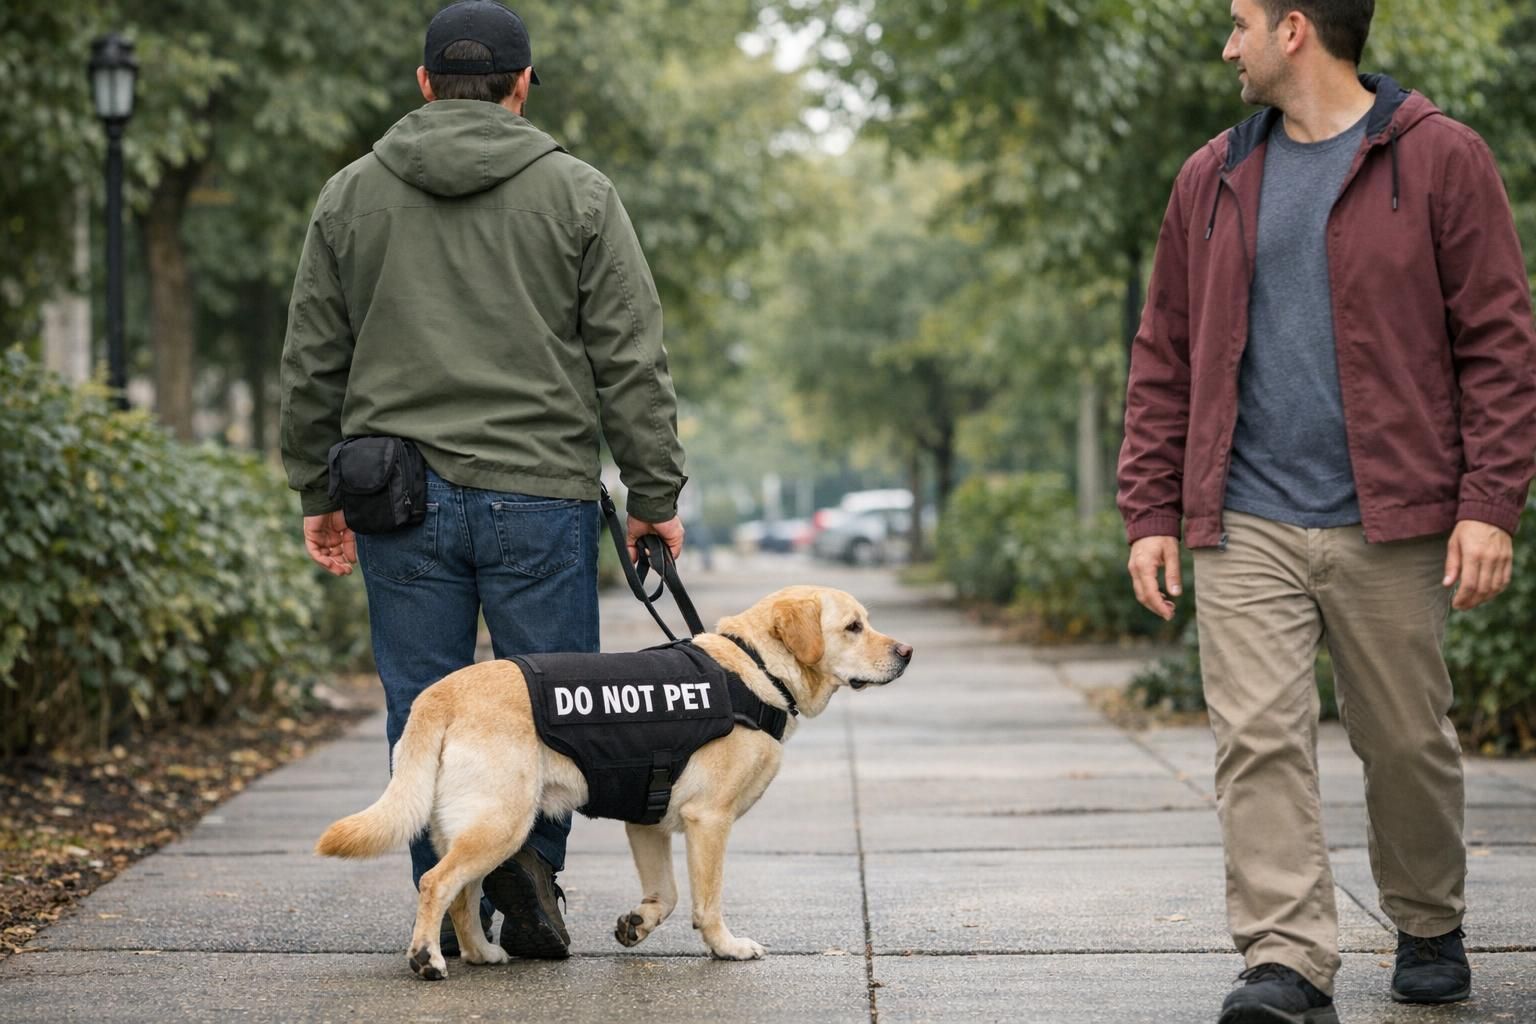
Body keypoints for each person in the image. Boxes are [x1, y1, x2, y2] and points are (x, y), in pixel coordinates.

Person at [1118, 1, 1536, 1020]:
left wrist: (1489, 504)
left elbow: (1499, 343)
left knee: (1406, 740)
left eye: (1239, 23)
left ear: (1293, 28)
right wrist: (1150, 508)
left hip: (1390, 514)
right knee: (1256, 736)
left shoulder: (1442, 159)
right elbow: (1164, 350)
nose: (1229, 46)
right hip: (1245, 511)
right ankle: (1287, 959)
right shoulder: (1210, 175)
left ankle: (1428, 917)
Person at [279, 0, 686, 960]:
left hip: (395, 497)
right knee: (549, 703)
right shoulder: (580, 194)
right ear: (521, 86)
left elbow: (310, 360)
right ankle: (529, 867)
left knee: (423, 703)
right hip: (539, 493)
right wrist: (654, 498)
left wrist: (315, 490)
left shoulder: (350, 195)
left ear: (424, 84)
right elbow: (631, 356)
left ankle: (452, 897)